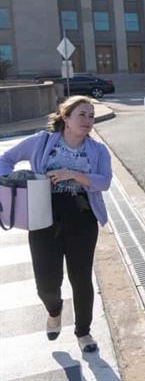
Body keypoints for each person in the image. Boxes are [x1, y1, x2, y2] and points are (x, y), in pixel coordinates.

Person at [0, 96, 112, 353]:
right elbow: (5, 159)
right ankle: (54, 310)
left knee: (81, 277)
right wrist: (11, 180)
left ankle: (83, 332)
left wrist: (73, 174)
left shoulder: (98, 150)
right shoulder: (41, 142)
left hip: (81, 216)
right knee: (46, 283)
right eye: (82, 114)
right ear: (65, 117)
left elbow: (104, 182)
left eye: (91, 116)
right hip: (42, 216)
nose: (88, 120)